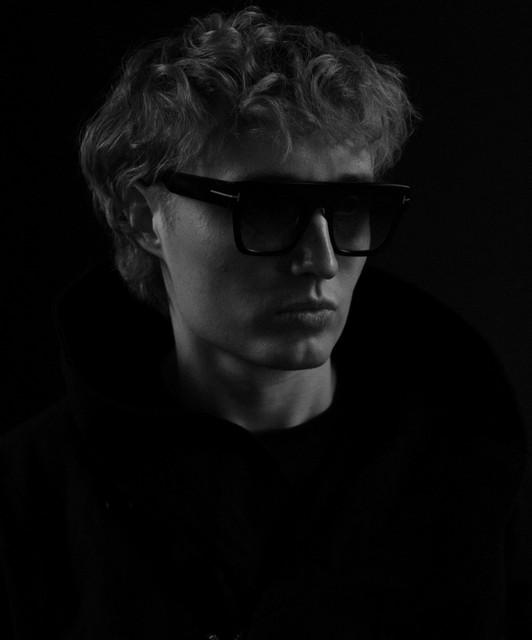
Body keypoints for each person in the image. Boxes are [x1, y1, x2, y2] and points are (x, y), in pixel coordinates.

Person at [1, 5, 530, 639]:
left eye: (350, 205)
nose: (321, 259)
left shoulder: (477, 472)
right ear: (145, 219)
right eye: (268, 207)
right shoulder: (30, 496)